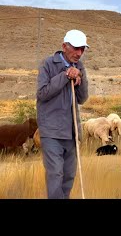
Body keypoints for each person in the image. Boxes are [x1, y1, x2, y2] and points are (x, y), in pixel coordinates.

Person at [36, 29, 89, 199]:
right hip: (51, 131)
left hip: (71, 132)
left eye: (82, 49)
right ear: (64, 46)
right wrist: (65, 75)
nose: (79, 53)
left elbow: (82, 99)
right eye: (75, 48)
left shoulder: (79, 66)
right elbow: (42, 93)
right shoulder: (48, 64)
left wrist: (80, 77)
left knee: (68, 177)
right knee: (55, 174)